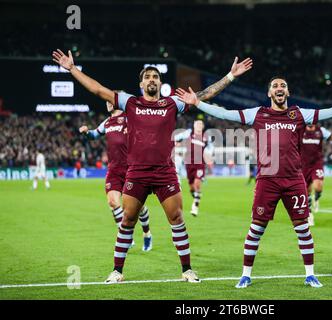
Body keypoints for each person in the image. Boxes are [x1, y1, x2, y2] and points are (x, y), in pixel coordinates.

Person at [52, 48, 252, 283]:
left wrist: (230, 76)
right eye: (147, 77)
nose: (151, 80)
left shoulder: (172, 103)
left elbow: (204, 94)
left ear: (160, 83)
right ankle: (117, 271)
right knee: (127, 220)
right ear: (141, 84)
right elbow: (98, 89)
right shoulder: (130, 102)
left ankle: (187, 269)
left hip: (164, 172)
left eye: (155, 77)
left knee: (176, 218)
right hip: (136, 172)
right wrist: (72, 69)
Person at [176, 79, 332, 289]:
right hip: (267, 180)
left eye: (283, 86)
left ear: (288, 91)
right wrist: (199, 103)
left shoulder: (299, 114)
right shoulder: (257, 113)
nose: (279, 88)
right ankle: (246, 275)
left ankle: (310, 275)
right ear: (269, 94)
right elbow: (225, 114)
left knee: (302, 228)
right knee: (256, 228)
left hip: (294, 180)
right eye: (275, 86)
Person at [79, 100, 152, 252]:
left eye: (110, 101)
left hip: (131, 168)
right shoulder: (107, 122)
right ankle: (126, 236)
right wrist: (86, 132)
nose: (108, 103)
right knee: (113, 202)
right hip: (113, 169)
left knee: (137, 207)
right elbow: (94, 135)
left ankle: (147, 233)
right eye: (106, 101)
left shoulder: (129, 118)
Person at [174, 120, 214, 217]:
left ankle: (195, 206)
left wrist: (209, 156)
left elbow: (211, 148)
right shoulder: (188, 133)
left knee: (197, 184)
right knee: (192, 187)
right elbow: (176, 138)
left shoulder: (206, 137)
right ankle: (197, 196)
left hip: (200, 163)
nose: (199, 125)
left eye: (201, 124)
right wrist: (176, 143)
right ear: (194, 125)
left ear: (203, 126)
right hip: (189, 164)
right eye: (197, 124)